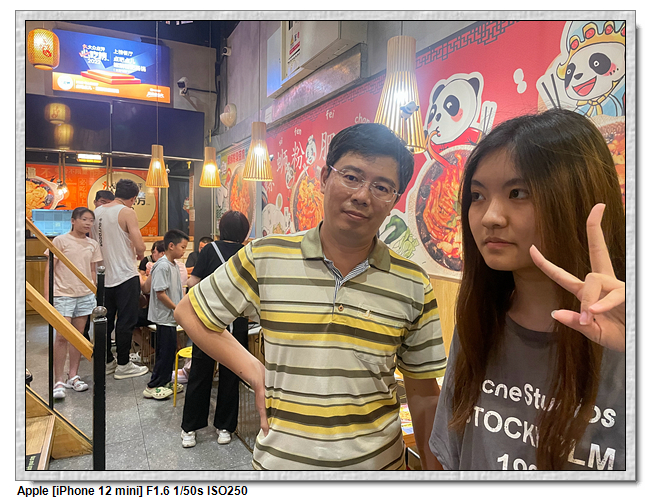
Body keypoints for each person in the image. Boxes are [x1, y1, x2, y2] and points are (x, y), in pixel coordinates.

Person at [175, 123, 447, 470]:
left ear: (394, 201)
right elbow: (190, 311)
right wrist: (253, 369)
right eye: (352, 177)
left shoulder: (412, 282)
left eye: (382, 187)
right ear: (324, 178)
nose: (363, 195)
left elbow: (424, 396)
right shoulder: (266, 255)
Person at [428, 109, 626, 471]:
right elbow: (453, 454)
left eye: (517, 193)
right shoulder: (479, 322)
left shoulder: (625, 334)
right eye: (477, 195)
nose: (490, 217)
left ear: (577, 198)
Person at [180, 212, 250, 448]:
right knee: (232, 374)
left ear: (221, 229)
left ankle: (190, 429)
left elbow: (193, 282)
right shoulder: (247, 253)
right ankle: (225, 428)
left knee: (200, 373)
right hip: (237, 321)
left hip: (208, 320)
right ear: (244, 232)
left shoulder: (210, 250)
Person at [92, 178, 149, 380]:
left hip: (102, 277)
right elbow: (140, 246)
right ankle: (124, 364)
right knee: (126, 321)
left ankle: (107, 361)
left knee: (105, 321)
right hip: (125, 275)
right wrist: (141, 251)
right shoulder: (127, 212)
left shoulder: (97, 212)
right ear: (133, 198)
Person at [44, 207, 103, 399]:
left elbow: (93, 269)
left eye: (91, 220)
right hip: (62, 294)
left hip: (85, 295)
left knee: (78, 337)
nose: (88, 223)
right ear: (73, 220)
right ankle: (58, 380)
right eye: (84, 219)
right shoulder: (60, 241)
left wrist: (93, 287)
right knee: (62, 337)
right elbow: (49, 268)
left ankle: (73, 376)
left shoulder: (92, 244)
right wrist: (47, 295)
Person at [143, 229, 189, 400]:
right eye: (182, 247)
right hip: (164, 317)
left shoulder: (174, 265)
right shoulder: (162, 266)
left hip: (171, 317)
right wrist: (177, 308)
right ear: (171, 246)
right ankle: (153, 385)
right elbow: (160, 293)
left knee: (170, 351)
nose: (184, 251)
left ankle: (165, 381)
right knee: (164, 352)